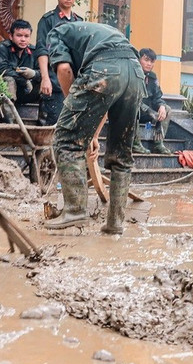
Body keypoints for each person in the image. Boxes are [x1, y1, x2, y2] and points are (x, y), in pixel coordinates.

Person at [43, 21, 144, 234]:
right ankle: (115, 223)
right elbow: (103, 100)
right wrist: (92, 134)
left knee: (66, 140)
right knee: (122, 155)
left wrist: (73, 112)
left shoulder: (56, 33)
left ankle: (75, 210)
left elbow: (63, 68)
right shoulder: (101, 33)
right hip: (135, 72)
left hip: (104, 71)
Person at [36, 0, 84, 124]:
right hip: (54, 81)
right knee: (50, 126)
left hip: (75, 82)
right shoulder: (48, 20)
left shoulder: (79, 22)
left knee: (73, 125)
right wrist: (45, 79)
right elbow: (42, 50)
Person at [0, 20, 45, 122]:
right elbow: (2, 70)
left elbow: (44, 72)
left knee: (47, 84)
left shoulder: (34, 51)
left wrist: (33, 74)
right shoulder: (2, 48)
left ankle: (44, 126)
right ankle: (8, 123)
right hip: (5, 94)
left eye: (26, 36)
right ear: (11, 36)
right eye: (19, 35)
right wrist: (24, 81)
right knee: (8, 80)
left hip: (27, 91)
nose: (23, 39)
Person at [134, 48, 173, 154]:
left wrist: (161, 106)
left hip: (147, 115)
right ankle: (135, 143)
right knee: (133, 107)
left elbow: (157, 96)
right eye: (146, 60)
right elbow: (133, 98)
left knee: (167, 109)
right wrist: (150, 111)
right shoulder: (132, 74)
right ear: (138, 59)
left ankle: (158, 143)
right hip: (131, 113)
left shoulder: (152, 77)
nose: (149, 64)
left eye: (152, 61)